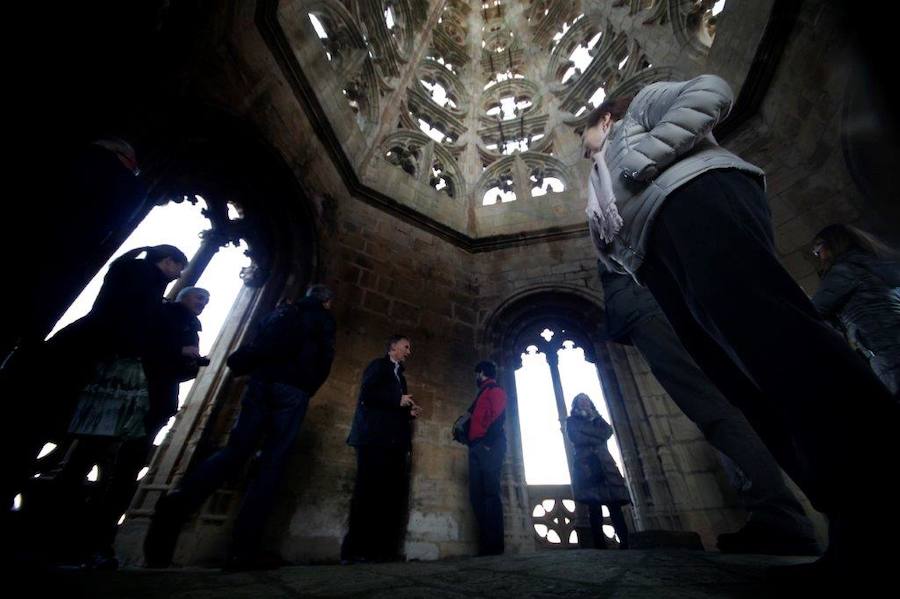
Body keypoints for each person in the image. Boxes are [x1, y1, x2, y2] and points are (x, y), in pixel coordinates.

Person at [581, 74, 899, 581]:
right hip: (662, 250)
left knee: (783, 345)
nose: (586, 152)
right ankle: (853, 520)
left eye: (586, 140)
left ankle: (884, 500)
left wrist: (645, 158)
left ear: (604, 120)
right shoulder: (601, 168)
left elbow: (710, 91)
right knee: (744, 382)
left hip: (698, 197)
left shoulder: (638, 110)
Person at [598, 264, 819, 555]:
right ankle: (780, 511)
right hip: (679, 300)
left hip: (650, 306)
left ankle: (779, 514)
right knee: (729, 404)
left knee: (714, 409)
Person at [1, 245, 187, 542]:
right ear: (166, 262)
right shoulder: (141, 278)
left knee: (42, 427)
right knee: (42, 424)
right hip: (88, 357)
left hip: (85, 352)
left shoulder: (135, 276)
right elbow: (127, 320)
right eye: (179, 268)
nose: (179, 275)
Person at [143, 284, 336, 571]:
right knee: (272, 462)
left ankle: (178, 503)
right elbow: (323, 359)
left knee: (235, 450)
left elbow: (257, 343)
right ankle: (242, 551)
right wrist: (307, 386)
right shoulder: (321, 318)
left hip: (260, 384)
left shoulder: (281, 311)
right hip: (292, 390)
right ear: (327, 302)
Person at [341, 335, 419, 563]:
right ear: (393, 347)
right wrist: (398, 399)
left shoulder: (399, 375)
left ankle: (379, 550)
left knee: (387, 495)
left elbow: (393, 405)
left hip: (392, 443)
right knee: (367, 493)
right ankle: (354, 551)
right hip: (373, 440)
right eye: (406, 346)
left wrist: (408, 411)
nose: (409, 351)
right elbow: (368, 394)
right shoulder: (379, 366)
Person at [810, 224, 900, 398]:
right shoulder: (878, 262)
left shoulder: (843, 271)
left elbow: (814, 311)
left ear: (831, 245)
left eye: (817, 250)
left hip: (888, 351)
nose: (818, 256)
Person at [566, 394, 631, 549]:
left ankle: (625, 543)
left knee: (614, 506)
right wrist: (596, 436)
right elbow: (576, 439)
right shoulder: (572, 421)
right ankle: (600, 546)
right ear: (576, 404)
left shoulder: (597, 419)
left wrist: (591, 429)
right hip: (587, 465)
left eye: (587, 400)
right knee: (594, 507)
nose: (585, 402)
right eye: (581, 401)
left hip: (605, 465)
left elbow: (608, 432)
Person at [467, 360, 507, 556]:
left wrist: (488, 444)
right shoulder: (482, 393)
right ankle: (486, 544)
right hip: (476, 446)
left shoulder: (495, 390)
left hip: (488, 445)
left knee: (490, 495)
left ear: (481, 373)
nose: (475, 377)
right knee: (476, 495)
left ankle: (494, 546)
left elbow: (499, 418)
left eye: (476, 373)